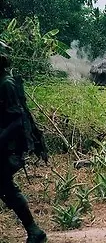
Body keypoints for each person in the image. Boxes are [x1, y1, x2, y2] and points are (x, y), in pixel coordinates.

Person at [0, 53, 47, 243]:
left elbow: (17, 121)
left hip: (7, 148)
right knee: (5, 187)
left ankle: (35, 231)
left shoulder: (6, 84)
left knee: (6, 187)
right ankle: (34, 230)